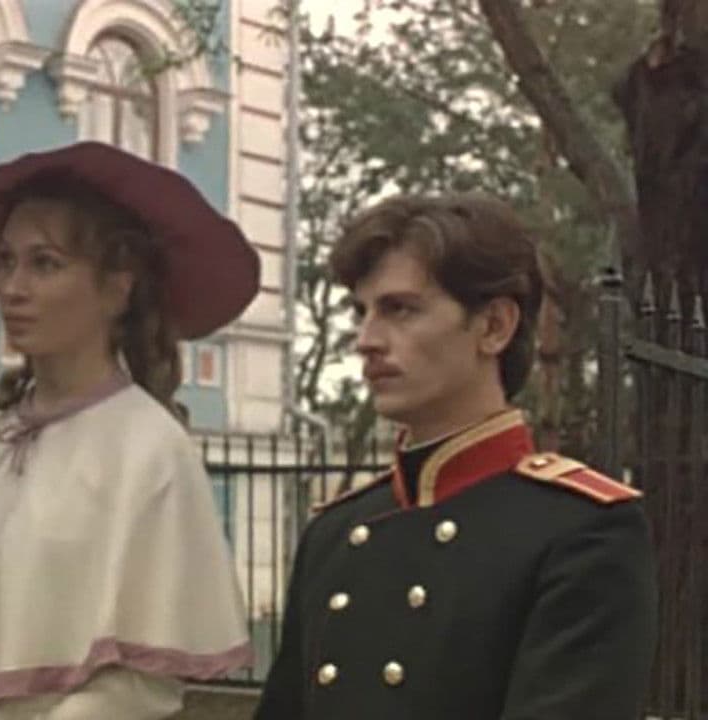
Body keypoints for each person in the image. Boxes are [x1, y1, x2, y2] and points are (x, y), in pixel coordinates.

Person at [0, 141, 257, 719]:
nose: (12, 288)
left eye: (45, 264)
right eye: (6, 261)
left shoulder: (150, 450)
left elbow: (141, 688)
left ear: (117, 287)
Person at [254, 194, 658, 719]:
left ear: (494, 327)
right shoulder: (335, 534)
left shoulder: (582, 532)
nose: (366, 340)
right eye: (361, 312)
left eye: (400, 309)